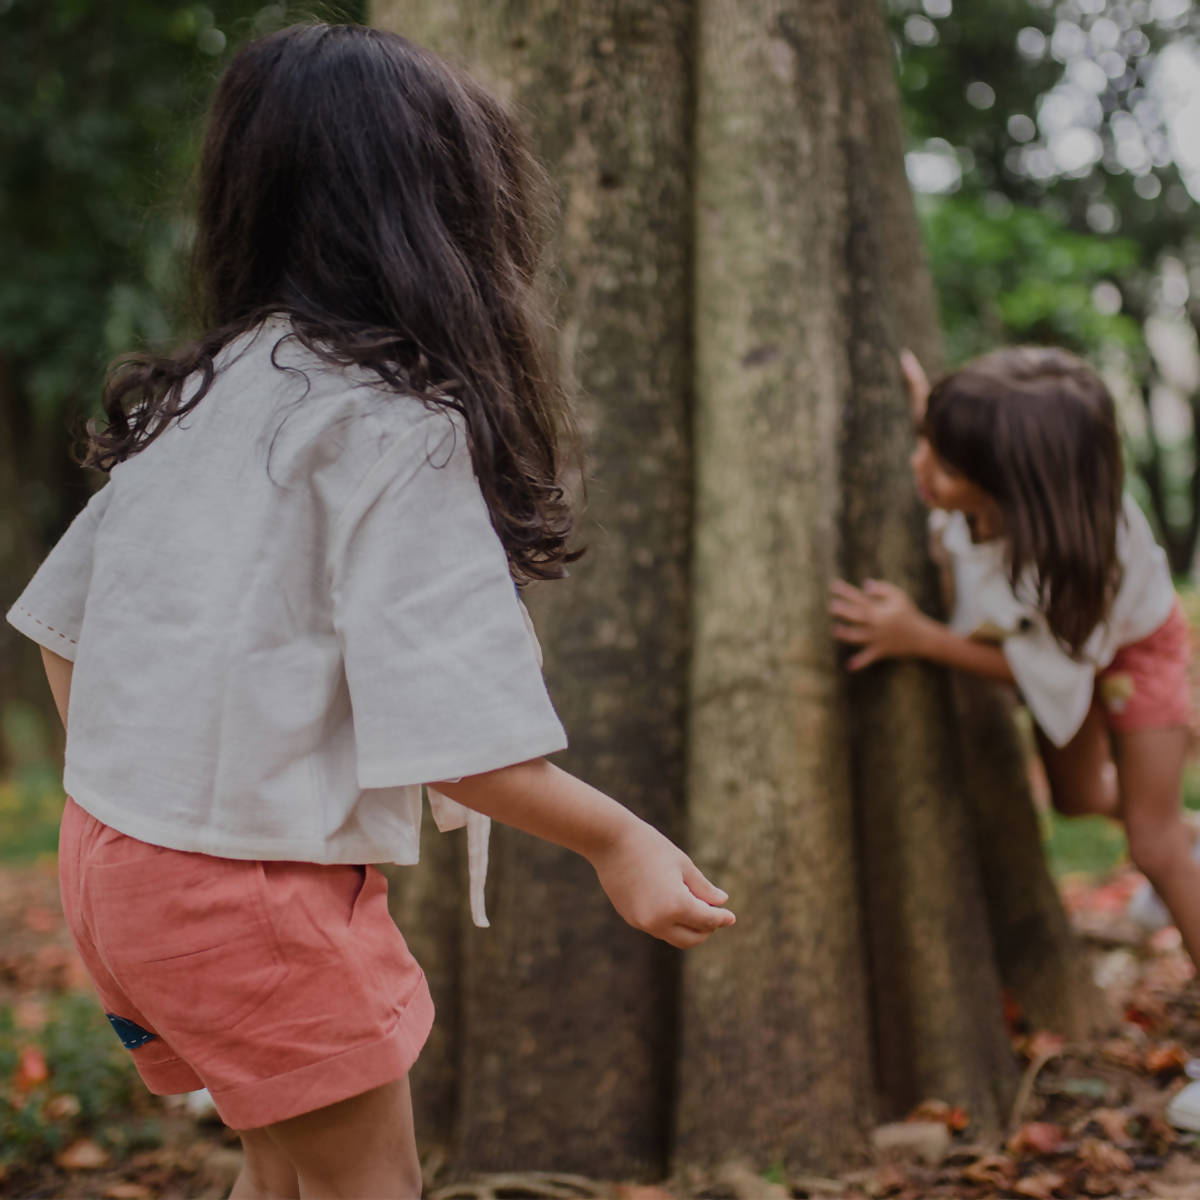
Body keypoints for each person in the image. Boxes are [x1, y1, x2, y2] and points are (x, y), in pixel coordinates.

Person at [7, 24, 733, 1200]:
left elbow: (59, 631)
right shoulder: (396, 430)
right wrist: (621, 841)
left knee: (284, 1171)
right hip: (250, 894)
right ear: (453, 219)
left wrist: (143, 797)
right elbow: (467, 739)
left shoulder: (207, 394)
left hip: (114, 868)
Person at [830, 346, 1200, 964]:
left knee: (1152, 845)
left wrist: (918, 636)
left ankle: (1169, 833)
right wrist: (935, 412)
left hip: (1135, 648)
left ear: (1013, 492)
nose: (917, 465)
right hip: (1057, 648)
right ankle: (1181, 824)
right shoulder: (990, 475)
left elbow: (1038, 674)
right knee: (1076, 798)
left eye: (943, 463)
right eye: (926, 441)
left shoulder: (1067, 563)